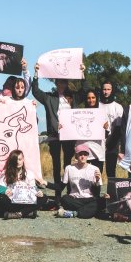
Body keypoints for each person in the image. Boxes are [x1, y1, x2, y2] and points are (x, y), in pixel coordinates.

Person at [32, 62, 87, 206]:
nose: (61, 84)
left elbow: (85, 91)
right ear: (56, 83)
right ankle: (57, 198)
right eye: (59, 82)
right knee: (56, 166)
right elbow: (36, 92)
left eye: (64, 82)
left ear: (67, 83)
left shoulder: (73, 97)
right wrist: (36, 74)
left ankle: (69, 195)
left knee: (68, 166)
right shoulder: (49, 97)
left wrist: (82, 74)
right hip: (54, 136)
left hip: (69, 136)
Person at [0, 150, 47, 219]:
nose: (18, 162)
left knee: (44, 197)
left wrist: (38, 192)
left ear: (23, 159)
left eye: (20, 159)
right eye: (15, 160)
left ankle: (19, 213)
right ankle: (27, 212)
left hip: (26, 202)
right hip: (12, 201)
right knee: (1, 197)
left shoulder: (29, 173)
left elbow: (33, 189)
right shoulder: (5, 173)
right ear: (12, 161)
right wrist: (5, 190)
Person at [56, 144, 103, 219]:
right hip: (75, 198)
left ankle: (74, 213)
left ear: (88, 156)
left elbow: (97, 193)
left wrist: (97, 181)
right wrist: (46, 184)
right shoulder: (69, 168)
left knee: (102, 201)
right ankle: (89, 211)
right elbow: (61, 186)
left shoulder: (95, 169)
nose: (83, 156)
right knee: (65, 199)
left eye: (85, 154)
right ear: (76, 156)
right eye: (80, 154)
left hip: (89, 198)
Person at [74, 89, 108, 173]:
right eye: (88, 98)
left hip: (97, 153)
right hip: (83, 153)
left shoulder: (102, 113)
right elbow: (72, 131)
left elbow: (106, 134)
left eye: (93, 97)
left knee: (96, 182)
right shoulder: (79, 113)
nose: (91, 100)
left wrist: (105, 128)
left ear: (97, 98)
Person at [100, 81, 124, 180]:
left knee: (110, 171)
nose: (106, 92)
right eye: (104, 89)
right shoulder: (97, 105)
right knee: (97, 170)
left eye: (108, 89)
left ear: (112, 90)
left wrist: (110, 144)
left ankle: (112, 194)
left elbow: (118, 129)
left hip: (112, 143)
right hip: (98, 142)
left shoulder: (118, 107)